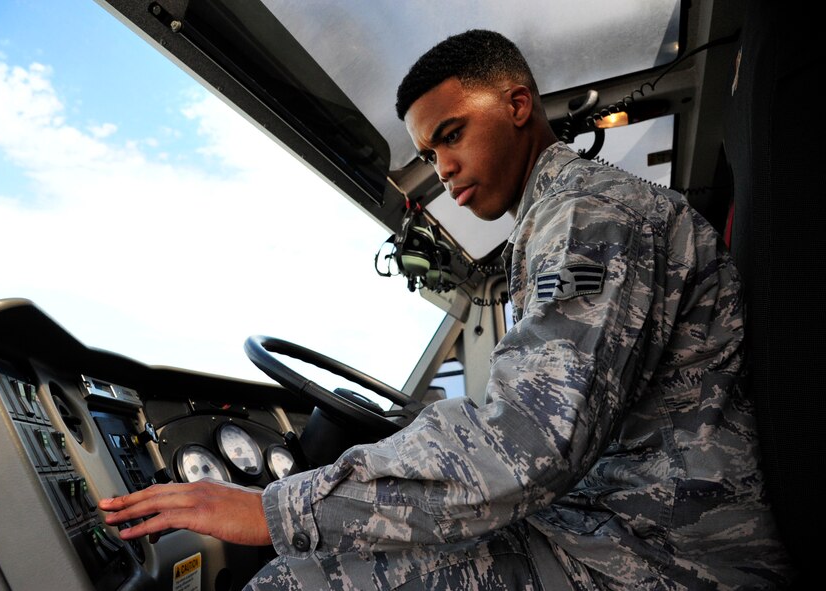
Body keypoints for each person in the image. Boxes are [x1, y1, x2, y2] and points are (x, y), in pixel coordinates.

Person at [100, 30, 791, 589]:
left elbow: (523, 447)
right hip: (618, 531)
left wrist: (275, 506)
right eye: (430, 153)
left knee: (295, 581)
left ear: (518, 105)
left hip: (665, 560)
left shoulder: (587, 213)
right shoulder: (562, 215)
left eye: (453, 134)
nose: (443, 168)